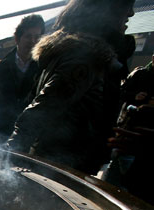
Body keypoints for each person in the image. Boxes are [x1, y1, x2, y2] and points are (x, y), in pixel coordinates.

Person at [7, 0, 136, 174]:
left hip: (61, 164)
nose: (131, 14)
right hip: (60, 167)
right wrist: (7, 159)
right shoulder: (85, 57)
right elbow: (40, 111)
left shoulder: (81, 52)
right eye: (126, 5)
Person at [102, 52, 154, 203]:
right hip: (130, 129)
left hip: (145, 142)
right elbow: (122, 92)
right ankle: (104, 195)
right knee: (117, 166)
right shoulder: (140, 74)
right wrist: (135, 97)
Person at [0, 14, 45, 143]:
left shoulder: (43, 68)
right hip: (2, 132)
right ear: (17, 38)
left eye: (37, 37)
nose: (33, 41)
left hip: (29, 135)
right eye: (28, 36)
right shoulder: (1, 68)